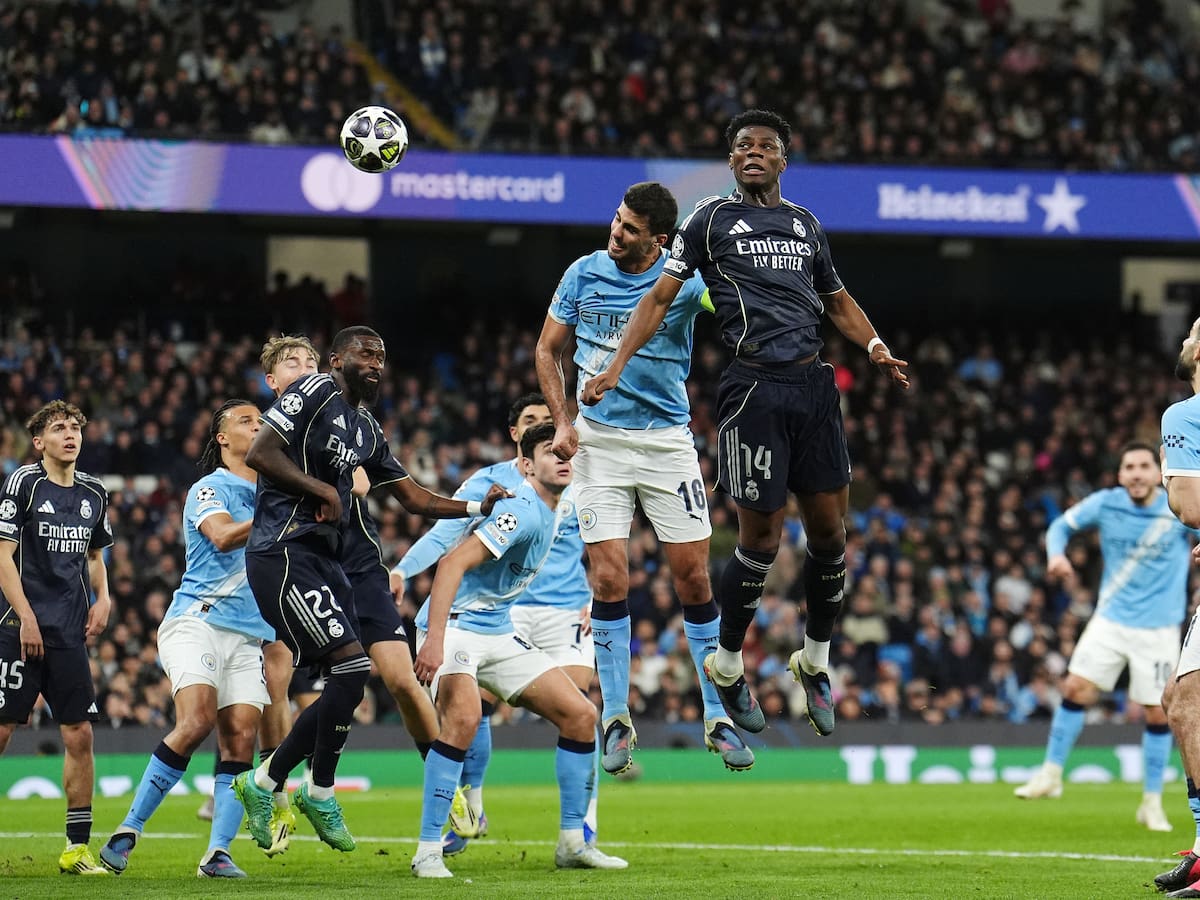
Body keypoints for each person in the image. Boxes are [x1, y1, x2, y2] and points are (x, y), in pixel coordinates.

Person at [582, 110, 908, 739]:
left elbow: (837, 299)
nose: (754, 153)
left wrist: (873, 348)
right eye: (743, 147)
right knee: (760, 540)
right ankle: (727, 663)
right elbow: (658, 297)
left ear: (783, 161)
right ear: (731, 161)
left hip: (813, 385)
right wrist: (618, 364)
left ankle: (815, 660)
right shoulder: (708, 220)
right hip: (752, 389)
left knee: (832, 534)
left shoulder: (806, 225)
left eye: (767, 146)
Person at [233, 326, 504, 853]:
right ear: (335, 360)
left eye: (382, 353)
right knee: (351, 671)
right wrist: (323, 492)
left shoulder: (365, 428)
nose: (376, 360)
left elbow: (414, 498)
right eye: (365, 352)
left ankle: (270, 782)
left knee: (358, 677)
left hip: (330, 560)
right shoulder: (314, 391)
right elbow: (261, 453)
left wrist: (476, 508)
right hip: (284, 551)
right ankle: (312, 789)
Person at [534, 181, 754, 777]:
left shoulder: (685, 281)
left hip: (666, 444)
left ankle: (717, 716)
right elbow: (547, 349)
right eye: (616, 219)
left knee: (692, 578)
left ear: (659, 239)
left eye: (630, 228)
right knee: (608, 578)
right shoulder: (582, 272)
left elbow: (736, 306)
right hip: (598, 443)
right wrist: (563, 420)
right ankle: (616, 717)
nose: (616, 231)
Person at [409, 422, 627, 878]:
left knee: (581, 717)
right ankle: (428, 850)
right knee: (465, 719)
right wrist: (434, 638)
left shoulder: (558, 506)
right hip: (456, 627)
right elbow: (452, 562)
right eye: (551, 451)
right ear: (526, 465)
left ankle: (572, 842)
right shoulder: (523, 510)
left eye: (567, 450)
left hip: (498, 629)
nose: (563, 457)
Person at [99, 400, 273, 878]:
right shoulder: (209, 487)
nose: (257, 426)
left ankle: (218, 853)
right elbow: (220, 537)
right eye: (245, 421)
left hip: (249, 635)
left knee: (240, 737)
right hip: (197, 620)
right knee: (196, 720)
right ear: (221, 438)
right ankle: (129, 829)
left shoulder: (278, 492)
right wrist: (282, 516)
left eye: (261, 421)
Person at [1014, 441, 1192, 834]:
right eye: (1129, 467)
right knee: (1076, 687)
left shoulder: (1177, 506)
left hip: (1159, 626)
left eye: (1144, 466)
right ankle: (1051, 774)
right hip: (1110, 619)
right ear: (1120, 474)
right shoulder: (1107, 503)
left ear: (1157, 471)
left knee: (1156, 711)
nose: (1136, 474)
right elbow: (1061, 525)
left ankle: (1151, 802)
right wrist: (1055, 555)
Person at [0, 401, 113, 875]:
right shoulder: (24, 483)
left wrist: (103, 597)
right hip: (17, 630)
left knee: (80, 735)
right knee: (2, 730)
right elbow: (2, 558)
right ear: (39, 441)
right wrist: (24, 615)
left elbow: (94, 555)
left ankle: (76, 848)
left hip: (68, 636)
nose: (70, 435)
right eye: (58, 429)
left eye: (75, 428)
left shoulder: (94, 492)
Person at [1152, 317, 1200, 896]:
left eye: (1193, 329)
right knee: (1179, 698)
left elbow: (1188, 503)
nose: (1186, 334)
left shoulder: (1185, 414)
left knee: (1188, 699)